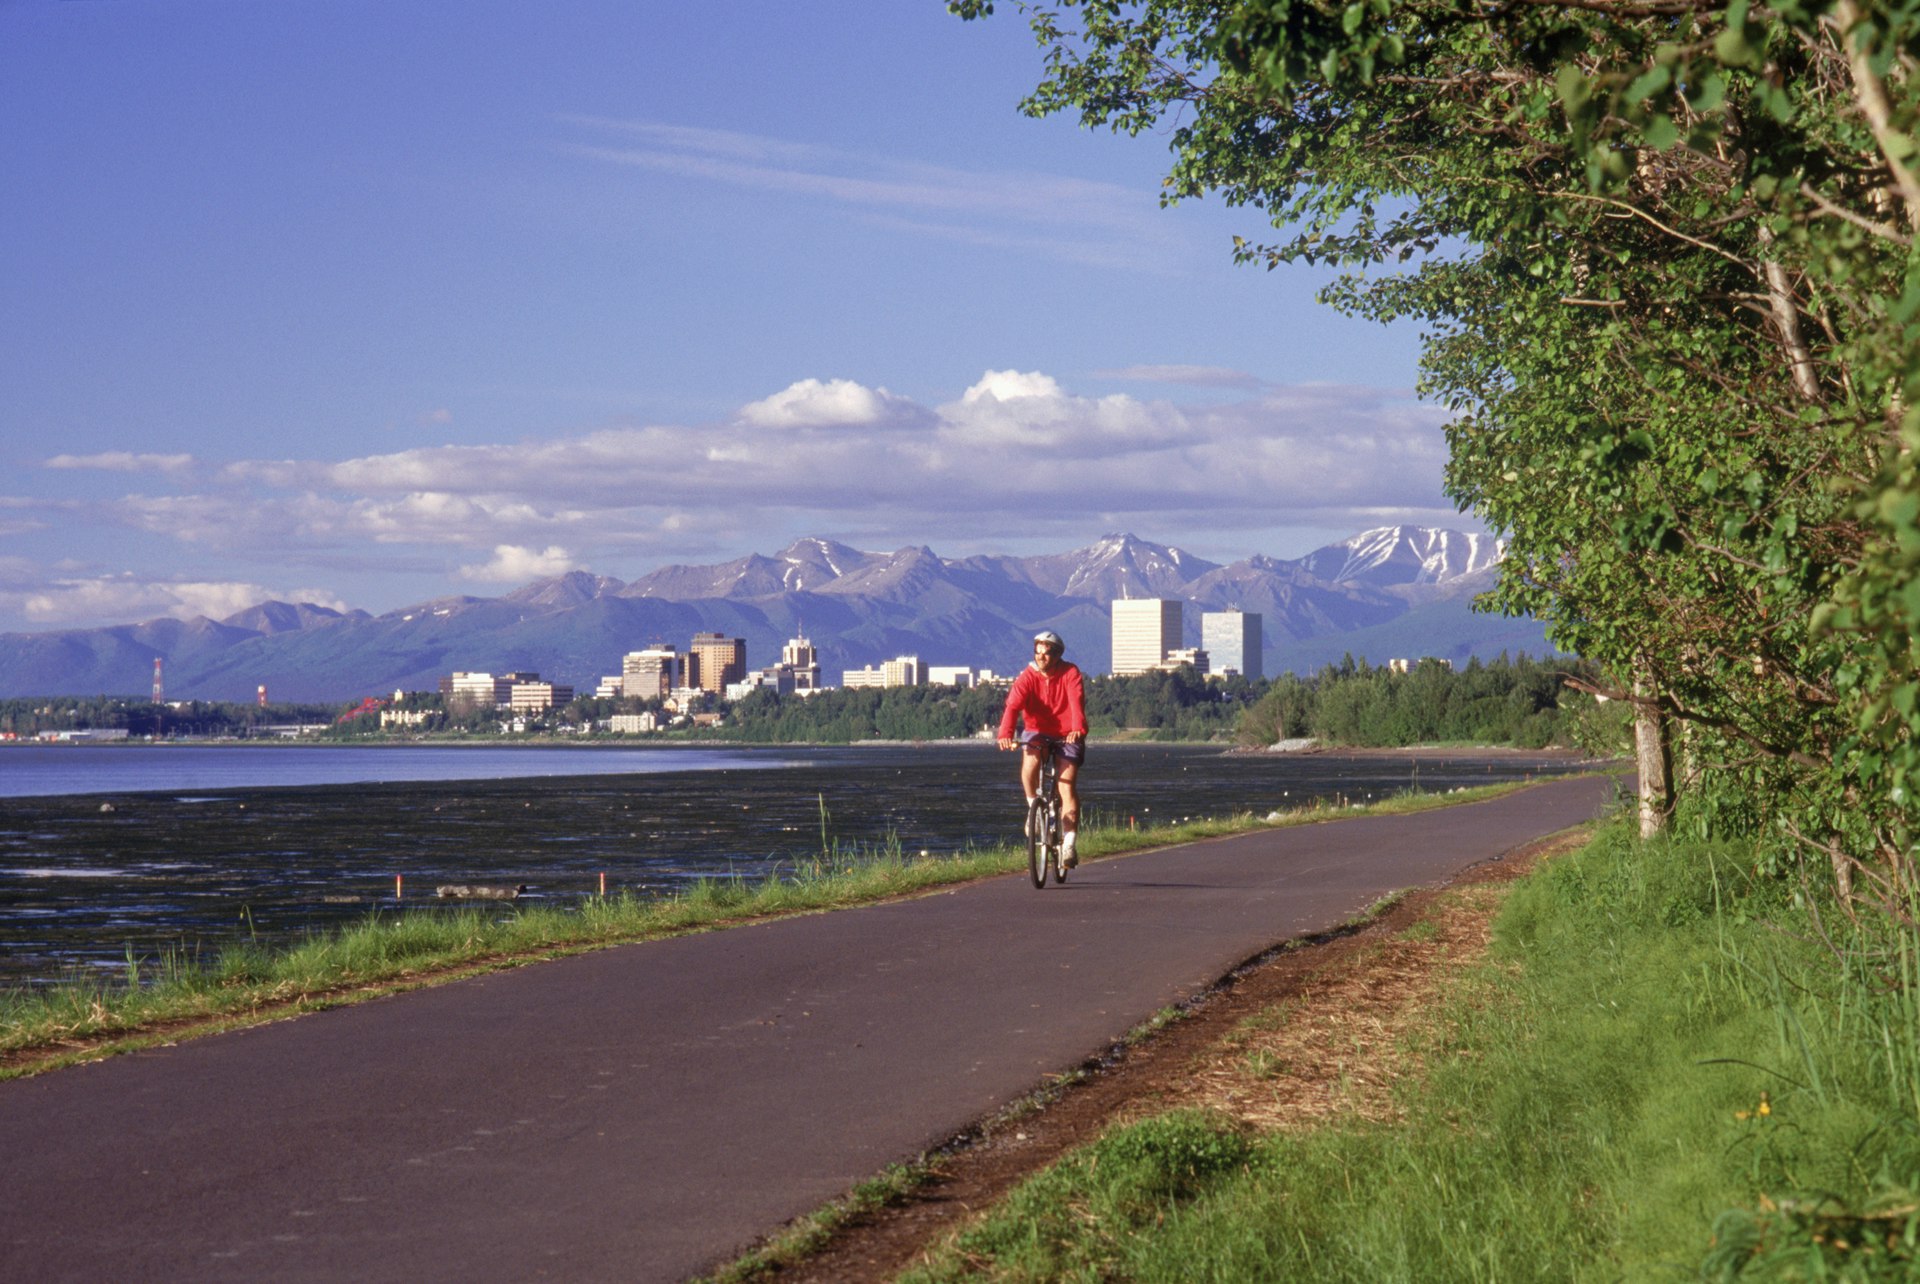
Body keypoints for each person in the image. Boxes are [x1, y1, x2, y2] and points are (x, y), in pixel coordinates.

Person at [997, 629, 1088, 867]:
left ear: (1057, 655)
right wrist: (1005, 734)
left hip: (1068, 732)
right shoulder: (1027, 677)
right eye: (1038, 653)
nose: (1041, 658)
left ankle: (1068, 845)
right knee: (1030, 761)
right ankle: (1033, 809)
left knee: (1066, 786)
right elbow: (1012, 706)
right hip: (1037, 731)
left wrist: (1078, 727)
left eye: (1046, 654)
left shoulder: (1070, 672)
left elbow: (1076, 700)